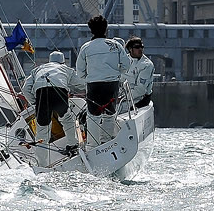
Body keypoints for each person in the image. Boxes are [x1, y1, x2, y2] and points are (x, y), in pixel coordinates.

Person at [75, 14, 130, 144]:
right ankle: (106, 142)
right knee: (109, 115)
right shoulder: (116, 45)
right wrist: (116, 73)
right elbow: (126, 65)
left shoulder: (86, 47)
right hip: (111, 84)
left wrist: (87, 78)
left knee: (93, 116)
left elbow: (80, 71)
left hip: (93, 85)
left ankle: (92, 145)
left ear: (91, 30)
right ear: (106, 29)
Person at [27, 50, 84, 143]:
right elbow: (81, 84)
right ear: (62, 62)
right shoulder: (66, 69)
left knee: (42, 129)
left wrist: (34, 102)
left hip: (41, 93)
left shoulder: (37, 69)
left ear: (49, 61)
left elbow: (26, 88)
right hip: (59, 91)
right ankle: (73, 144)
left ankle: (41, 157)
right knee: (67, 119)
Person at [125, 36, 155, 109]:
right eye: (137, 47)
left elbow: (140, 89)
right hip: (123, 96)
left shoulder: (146, 65)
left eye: (142, 47)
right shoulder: (124, 60)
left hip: (140, 99)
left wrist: (123, 98)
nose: (140, 49)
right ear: (130, 49)